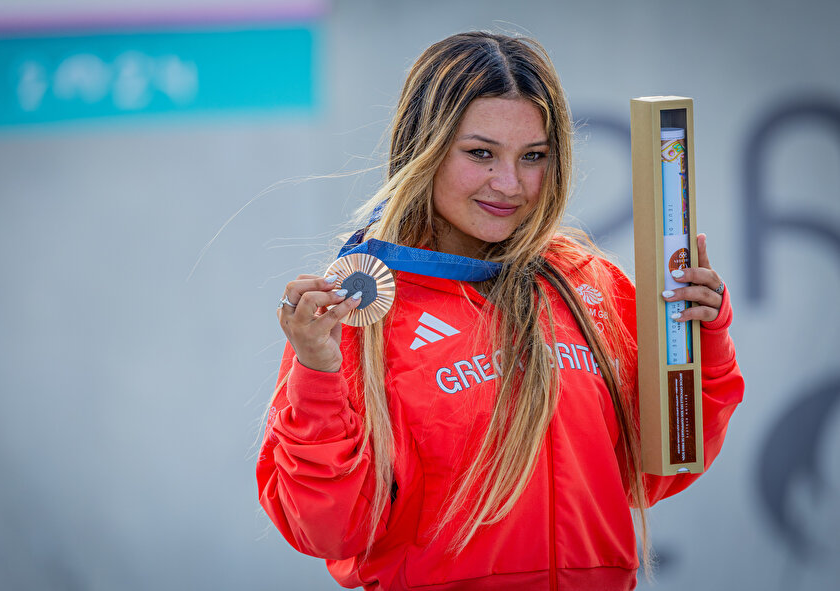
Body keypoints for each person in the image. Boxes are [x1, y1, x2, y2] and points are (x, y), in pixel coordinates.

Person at [257, 31, 743, 590]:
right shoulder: (363, 306)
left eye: (532, 156)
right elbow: (327, 529)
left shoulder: (588, 284)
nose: (509, 185)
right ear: (425, 149)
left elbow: (660, 465)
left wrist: (701, 337)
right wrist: (317, 373)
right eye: (481, 153)